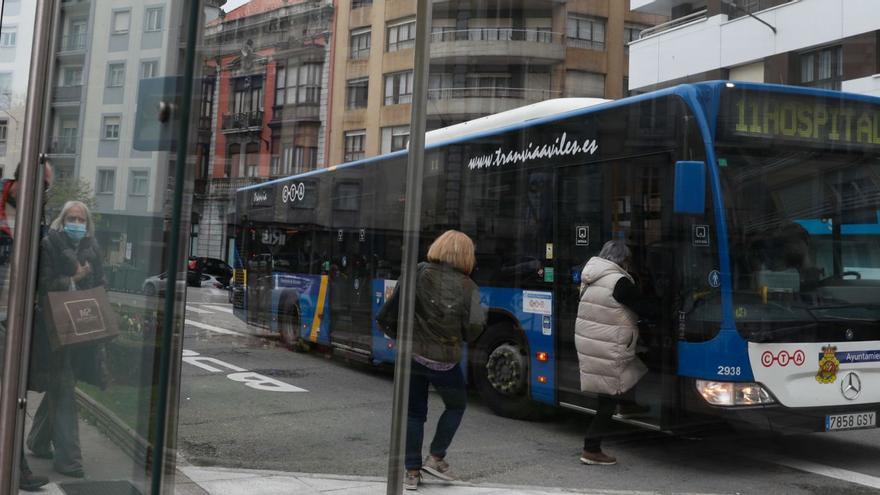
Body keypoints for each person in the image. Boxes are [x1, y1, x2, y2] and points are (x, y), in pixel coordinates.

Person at [377, 230, 486, 490]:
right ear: (466, 255)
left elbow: (395, 308)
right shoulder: (468, 286)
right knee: (456, 405)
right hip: (444, 362)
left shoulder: (417, 272)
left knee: (414, 413)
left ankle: (412, 472)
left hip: (412, 355)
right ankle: (436, 456)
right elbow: (471, 331)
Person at [26, 200, 106, 479]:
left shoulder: (92, 248)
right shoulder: (49, 245)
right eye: (71, 218)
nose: (76, 223)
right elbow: (43, 285)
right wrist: (72, 278)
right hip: (53, 329)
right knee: (64, 387)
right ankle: (69, 460)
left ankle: (37, 440)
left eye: (81, 219)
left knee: (61, 384)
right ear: (62, 220)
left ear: (87, 223)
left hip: (82, 329)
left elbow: (101, 283)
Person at [0, 162, 53, 491]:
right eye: (41, 183)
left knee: (13, 395)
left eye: (47, 186)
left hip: (13, 317)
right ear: (22, 179)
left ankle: (15, 465)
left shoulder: (36, 216)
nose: (44, 191)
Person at [575, 240, 650, 466]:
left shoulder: (591, 277)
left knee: (629, 372)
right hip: (609, 345)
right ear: (623, 261)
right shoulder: (620, 282)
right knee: (607, 400)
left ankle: (628, 404)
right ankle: (591, 449)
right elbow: (644, 307)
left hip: (593, 343)